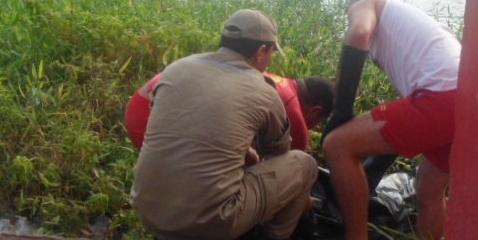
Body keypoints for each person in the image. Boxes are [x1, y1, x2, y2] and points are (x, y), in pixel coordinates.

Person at [129, 9, 318, 240]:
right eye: (271, 53)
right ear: (261, 51)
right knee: (305, 164)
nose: (270, 60)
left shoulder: (177, 68)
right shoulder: (263, 90)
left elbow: (196, 129)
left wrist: (247, 154)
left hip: (148, 212)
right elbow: (278, 157)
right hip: (210, 225)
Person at [321, 0, 460, 240]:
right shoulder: (410, 26)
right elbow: (408, 108)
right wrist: (377, 162)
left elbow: (358, 34)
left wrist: (342, 111)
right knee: (429, 189)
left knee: (337, 145)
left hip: (441, 96)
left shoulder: (369, 4)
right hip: (469, 100)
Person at [124, 72, 333, 152]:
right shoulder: (293, 113)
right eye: (317, 123)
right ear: (316, 111)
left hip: (140, 104)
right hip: (152, 122)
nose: (311, 129)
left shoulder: (277, 80)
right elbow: (287, 165)